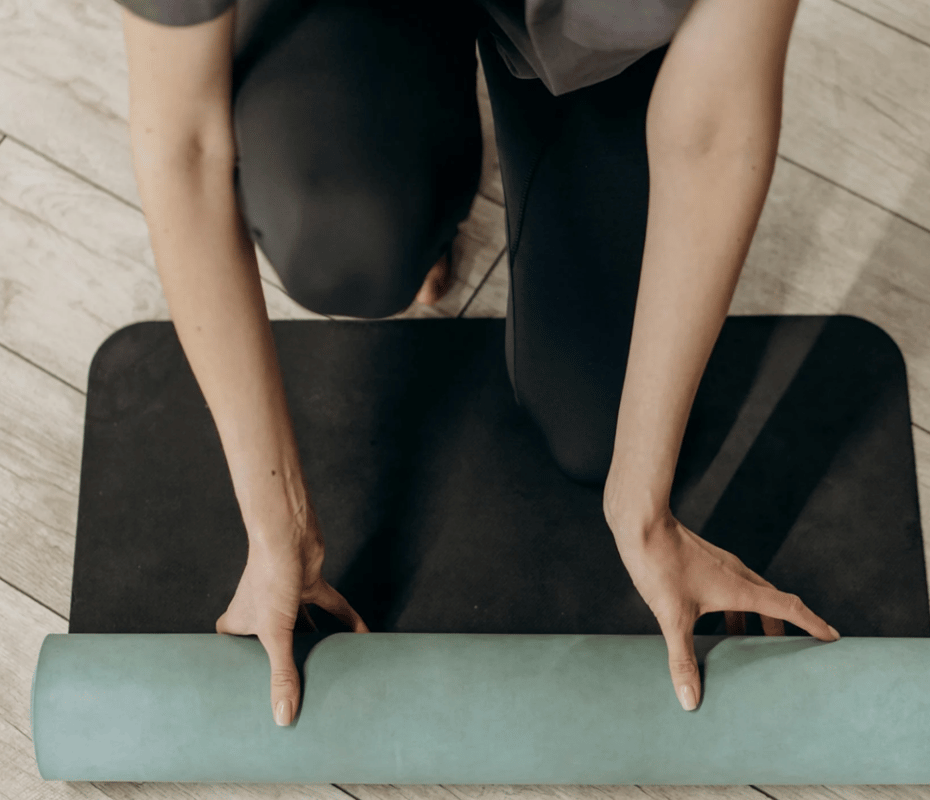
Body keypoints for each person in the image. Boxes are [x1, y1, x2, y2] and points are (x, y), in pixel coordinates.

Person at [115, 0, 840, 728]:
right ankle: (419, 177)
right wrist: (280, 532)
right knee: (346, 240)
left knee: (598, 425)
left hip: (588, 31)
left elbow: (715, 130)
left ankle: (494, 110)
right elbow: (184, 145)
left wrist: (643, 514)